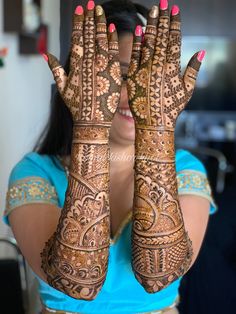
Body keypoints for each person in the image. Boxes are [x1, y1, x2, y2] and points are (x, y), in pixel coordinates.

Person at [3, 0, 217, 313]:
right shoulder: (34, 171)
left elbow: (159, 276)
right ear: (79, 83)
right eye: (116, 78)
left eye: (144, 79)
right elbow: (78, 281)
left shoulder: (185, 169)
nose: (132, 94)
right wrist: (91, 124)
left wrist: (156, 125)